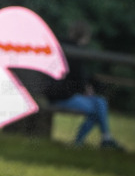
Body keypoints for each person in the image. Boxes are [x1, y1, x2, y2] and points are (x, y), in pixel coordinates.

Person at [43, 20, 124, 150]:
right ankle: (94, 140)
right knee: (98, 109)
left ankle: (102, 138)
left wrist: (87, 87)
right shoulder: (76, 54)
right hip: (62, 97)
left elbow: (82, 78)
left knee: (100, 102)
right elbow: (78, 79)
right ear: (85, 37)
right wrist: (86, 89)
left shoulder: (62, 47)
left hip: (59, 94)